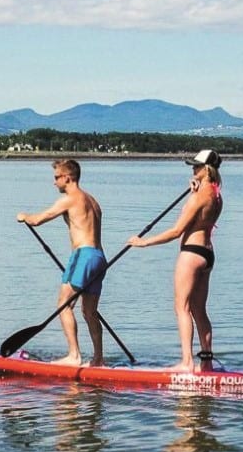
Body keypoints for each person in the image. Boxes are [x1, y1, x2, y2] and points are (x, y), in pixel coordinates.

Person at [128, 149, 224, 373]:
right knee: (199, 310)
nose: (193, 169)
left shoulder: (199, 196)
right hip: (208, 254)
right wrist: (195, 190)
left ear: (206, 169)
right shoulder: (216, 195)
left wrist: (144, 242)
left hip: (191, 253)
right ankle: (206, 363)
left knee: (181, 307)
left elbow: (176, 231)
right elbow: (203, 217)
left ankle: (187, 362)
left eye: (196, 166)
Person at [17, 159, 107, 366]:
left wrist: (24, 216)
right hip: (99, 257)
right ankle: (98, 359)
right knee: (89, 311)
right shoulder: (93, 200)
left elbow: (38, 220)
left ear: (68, 177)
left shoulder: (70, 199)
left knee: (64, 305)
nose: (54, 182)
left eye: (57, 177)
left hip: (83, 256)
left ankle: (74, 356)